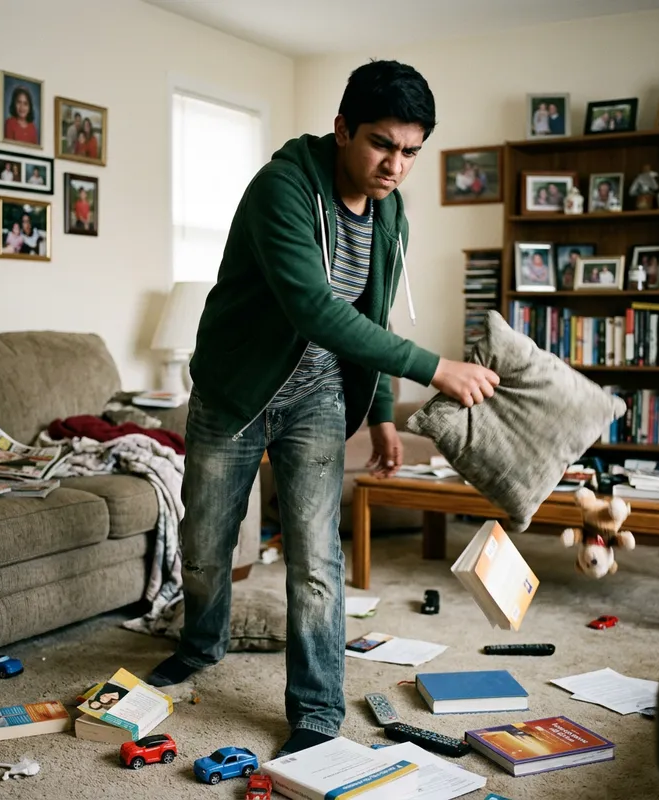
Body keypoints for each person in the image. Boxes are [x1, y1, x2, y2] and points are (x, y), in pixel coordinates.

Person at [145, 59, 499, 758]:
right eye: (381, 144)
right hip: (234, 394)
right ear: (342, 130)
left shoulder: (392, 210)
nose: (395, 165)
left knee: (317, 562)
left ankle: (315, 706)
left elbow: (376, 314)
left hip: (317, 398)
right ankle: (201, 642)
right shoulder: (280, 189)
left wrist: (385, 415)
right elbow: (314, 307)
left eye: (410, 151)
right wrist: (436, 369)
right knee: (208, 547)